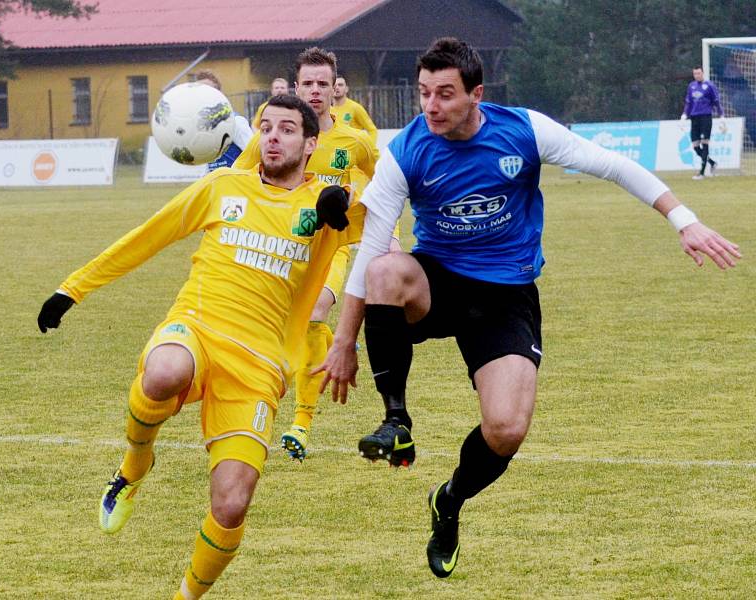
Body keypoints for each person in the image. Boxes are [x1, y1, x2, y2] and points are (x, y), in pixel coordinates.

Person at [316, 37, 741, 579]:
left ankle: (448, 501)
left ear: (477, 94)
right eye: (424, 93)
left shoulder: (522, 129)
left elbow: (612, 165)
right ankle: (396, 420)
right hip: (437, 282)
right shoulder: (408, 150)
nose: (431, 107)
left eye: (445, 94)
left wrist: (686, 221)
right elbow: (372, 246)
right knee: (384, 269)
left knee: (506, 429)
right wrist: (344, 342)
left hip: (504, 297)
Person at [37, 94, 363, 599]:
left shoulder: (325, 205)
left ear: (311, 143)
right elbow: (150, 235)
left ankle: (186, 596)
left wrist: (343, 207)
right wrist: (73, 288)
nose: (273, 137)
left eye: (287, 130)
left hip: (257, 366)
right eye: (266, 128)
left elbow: (379, 218)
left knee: (232, 503)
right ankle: (136, 462)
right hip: (198, 329)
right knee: (164, 371)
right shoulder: (222, 186)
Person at [234, 47, 388, 462]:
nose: (316, 91)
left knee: (317, 311)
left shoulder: (353, 142)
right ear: (296, 86)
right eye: (308, 83)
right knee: (272, 332)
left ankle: (302, 422)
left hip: (330, 248)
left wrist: (380, 226)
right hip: (278, 247)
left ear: (334, 87)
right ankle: (254, 407)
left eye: (323, 83)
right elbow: (236, 180)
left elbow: (388, 182)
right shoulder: (276, 133)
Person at [194, 69, 254, 169]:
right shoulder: (205, 127)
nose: (203, 95)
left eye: (208, 90)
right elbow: (210, 166)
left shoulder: (235, 122)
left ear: (219, 94)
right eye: (199, 91)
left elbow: (254, 155)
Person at [681, 66, 724, 180]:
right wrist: (684, 114)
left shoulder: (709, 86)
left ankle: (702, 172)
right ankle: (712, 163)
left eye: (699, 73)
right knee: (695, 146)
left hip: (706, 117)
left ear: (703, 73)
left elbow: (716, 101)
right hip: (694, 118)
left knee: (705, 143)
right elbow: (688, 102)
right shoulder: (691, 86)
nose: (697, 76)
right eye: (695, 74)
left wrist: (721, 115)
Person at [331, 74, 379, 144]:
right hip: (334, 149)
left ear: (346, 89)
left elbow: (372, 130)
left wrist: (369, 148)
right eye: (334, 86)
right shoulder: (327, 110)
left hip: (350, 150)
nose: (337, 88)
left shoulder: (355, 108)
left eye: (340, 85)